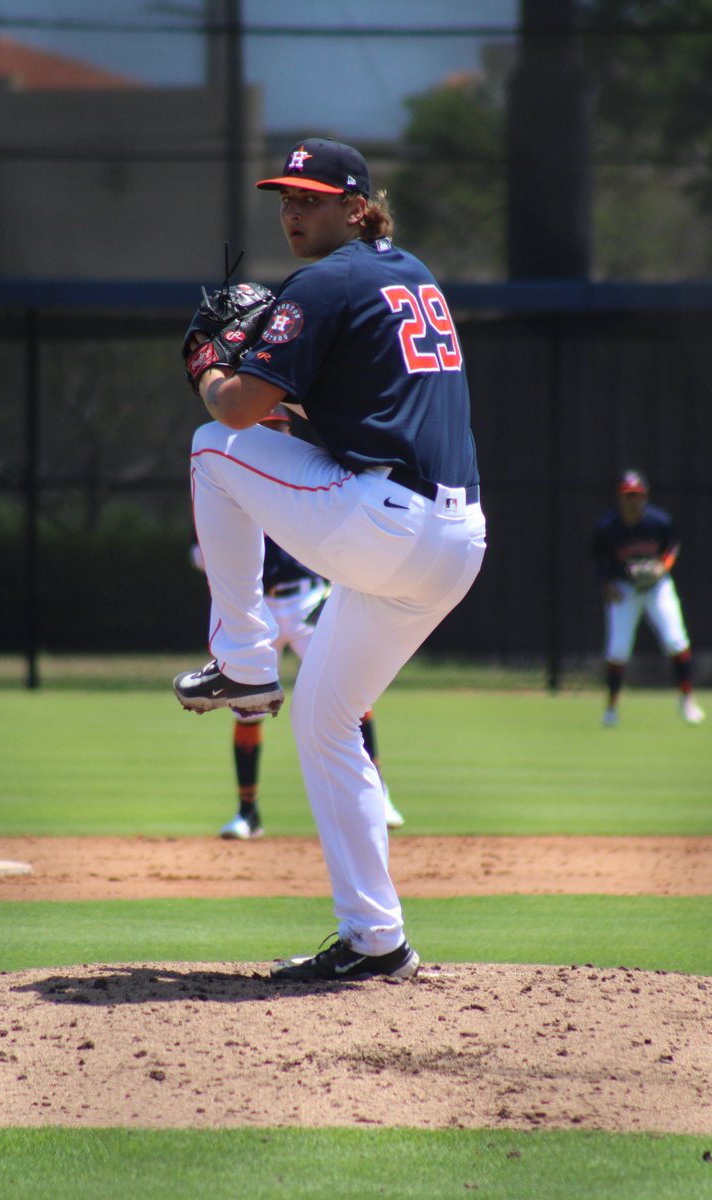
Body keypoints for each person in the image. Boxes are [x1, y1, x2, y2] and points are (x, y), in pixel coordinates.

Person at [173, 137, 486, 981]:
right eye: (285, 198)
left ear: (355, 206)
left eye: (310, 198)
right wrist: (280, 402)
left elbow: (238, 408)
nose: (292, 212)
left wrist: (209, 366)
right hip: (454, 542)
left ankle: (244, 661)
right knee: (323, 721)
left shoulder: (323, 283)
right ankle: (376, 940)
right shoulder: (410, 273)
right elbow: (352, 407)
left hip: (386, 524)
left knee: (210, 447)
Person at [191, 405, 405, 840]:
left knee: (351, 696)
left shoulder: (307, 468)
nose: (276, 433)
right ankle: (247, 814)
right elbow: (203, 548)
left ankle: (379, 794)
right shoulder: (236, 473)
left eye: (280, 426)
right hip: (260, 606)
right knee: (247, 706)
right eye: (267, 426)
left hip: (308, 599)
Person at [591, 469, 705, 727]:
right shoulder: (607, 527)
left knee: (676, 640)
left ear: (645, 496)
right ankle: (611, 708)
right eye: (628, 495)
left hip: (657, 587)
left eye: (636, 495)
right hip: (625, 588)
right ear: (620, 497)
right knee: (618, 650)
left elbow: (672, 546)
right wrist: (606, 584)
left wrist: (664, 566)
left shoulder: (658, 521)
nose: (632, 500)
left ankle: (687, 700)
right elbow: (597, 559)